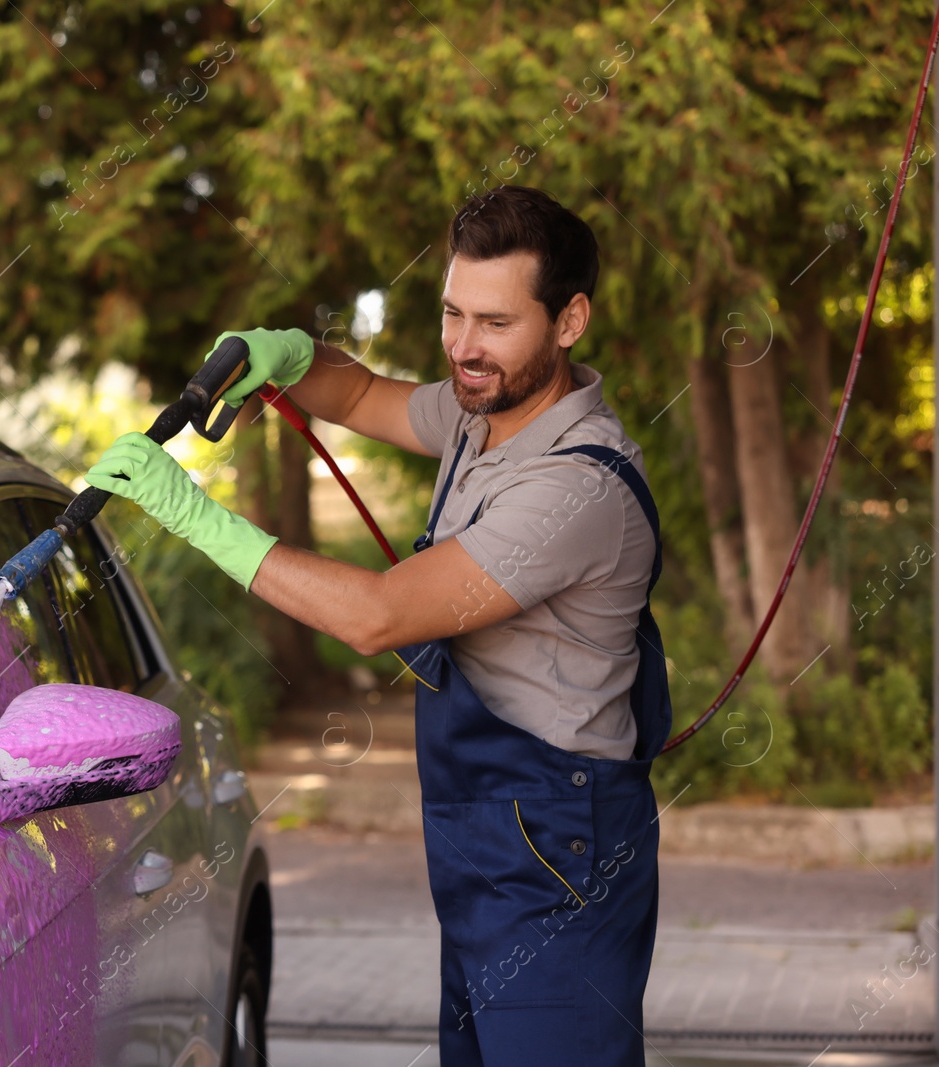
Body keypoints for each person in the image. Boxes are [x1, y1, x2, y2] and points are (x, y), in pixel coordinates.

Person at [87, 184, 670, 1067]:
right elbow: (358, 393)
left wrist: (194, 515)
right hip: (493, 849)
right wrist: (286, 354)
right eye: (452, 314)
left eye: (496, 324)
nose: (465, 350)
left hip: (560, 857)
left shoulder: (572, 485)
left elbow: (376, 616)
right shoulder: (488, 417)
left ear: (570, 320)